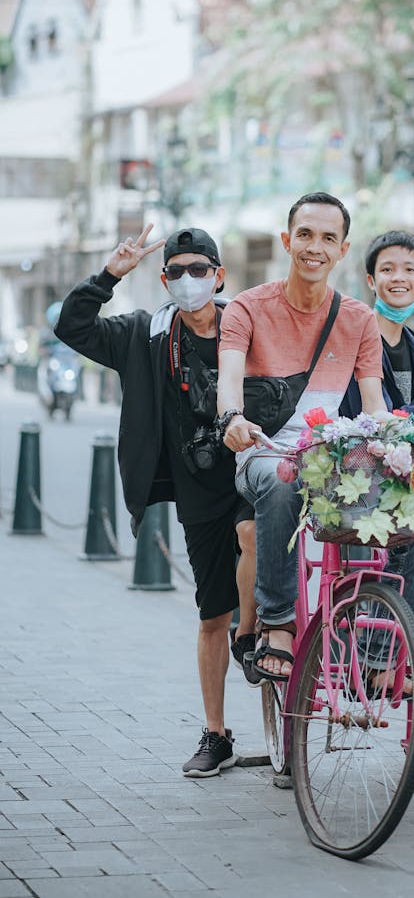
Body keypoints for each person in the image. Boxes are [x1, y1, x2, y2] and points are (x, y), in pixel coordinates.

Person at [55, 224, 258, 778]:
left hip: (252, 478)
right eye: (177, 272)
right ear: (164, 280)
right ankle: (216, 734)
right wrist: (109, 275)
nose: (189, 281)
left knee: (257, 552)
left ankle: (259, 659)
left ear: (220, 276)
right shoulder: (145, 335)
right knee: (211, 614)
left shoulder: (249, 327)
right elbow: (71, 325)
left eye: (200, 270)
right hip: (196, 494)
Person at [217, 193, 414, 683]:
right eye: (306, 235)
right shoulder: (246, 309)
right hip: (265, 451)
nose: (315, 247)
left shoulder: (358, 319)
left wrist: (397, 453)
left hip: (332, 460)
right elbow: (228, 381)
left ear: (342, 250)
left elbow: (373, 404)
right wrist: (232, 418)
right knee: (281, 479)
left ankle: (377, 645)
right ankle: (278, 623)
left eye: (328, 238)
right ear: (286, 240)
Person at [340, 229, 414, 419]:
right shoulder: (355, 341)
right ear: (371, 280)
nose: (398, 277)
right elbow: (373, 418)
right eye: (387, 269)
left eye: (409, 269)